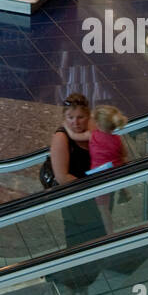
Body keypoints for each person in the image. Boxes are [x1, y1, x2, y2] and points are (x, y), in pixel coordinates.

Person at [49, 92, 105, 252]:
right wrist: (90, 192)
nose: (76, 122)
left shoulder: (92, 128)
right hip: (77, 200)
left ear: (88, 116)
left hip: (99, 196)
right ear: (64, 118)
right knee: (79, 242)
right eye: (70, 117)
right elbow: (62, 176)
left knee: (99, 238)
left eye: (80, 117)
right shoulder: (61, 138)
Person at [88, 104, 128, 234]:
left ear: (98, 123)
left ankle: (110, 234)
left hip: (99, 177)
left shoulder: (93, 136)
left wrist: (67, 129)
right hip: (115, 173)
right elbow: (124, 154)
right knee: (120, 165)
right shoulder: (117, 139)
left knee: (103, 209)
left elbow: (77, 136)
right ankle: (124, 191)